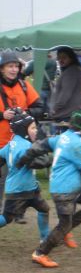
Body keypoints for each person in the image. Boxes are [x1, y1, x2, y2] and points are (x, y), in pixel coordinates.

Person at [16, 108, 81, 268]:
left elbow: (41, 145)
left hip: (74, 189)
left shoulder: (63, 137)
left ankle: (65, 232)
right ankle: (40, 253)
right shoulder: (76, 145)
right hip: (65, 191)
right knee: (64, 224)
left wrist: (24, 158)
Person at [0, 51, 45, 222]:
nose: (13, 69)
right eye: (10, 66)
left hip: (22, 144)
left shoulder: (24, 86)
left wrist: (24, 113)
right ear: (2, 69)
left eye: (16, 66)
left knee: (23, 177)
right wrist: (2, 115)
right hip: (2, 143)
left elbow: (41, 108)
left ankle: (18, 212)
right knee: (2, 179)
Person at [0, 111, 52, 250]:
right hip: (19, 190)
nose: (36, 131)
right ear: (24, 130)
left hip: (29, 188)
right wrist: (45, 149)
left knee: (44, 209)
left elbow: (1, 156)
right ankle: (45, 239)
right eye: (33, 128)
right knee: (6, 218)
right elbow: (41, 162)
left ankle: (45, 240)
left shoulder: (12, 143)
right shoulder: (25, 147)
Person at [49, 47, 81, 126]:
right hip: (70, 113)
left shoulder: (71, 71)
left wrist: (54, 109)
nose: (61, 60)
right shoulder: (73, 69)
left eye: (64, 57)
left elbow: (66, 93)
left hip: (67, 114)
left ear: (71, 58)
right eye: (59, 58)